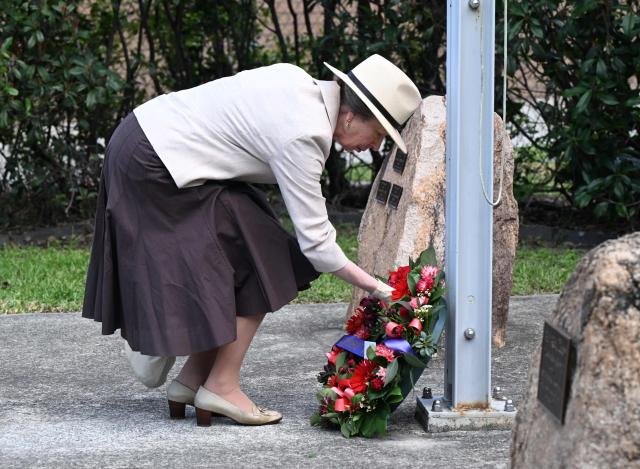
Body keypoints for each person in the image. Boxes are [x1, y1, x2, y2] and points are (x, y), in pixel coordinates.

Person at [82, 54, 422, 426]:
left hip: (143, 142)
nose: (374, 147)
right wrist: (378, 289)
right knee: (269, 258)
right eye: (379, 135)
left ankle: (194, 380)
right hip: (152, 162)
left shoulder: (298, 83)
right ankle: (221, 385)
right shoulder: (304, 134)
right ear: (350, 116)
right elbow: (318, 245)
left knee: (255, 240)